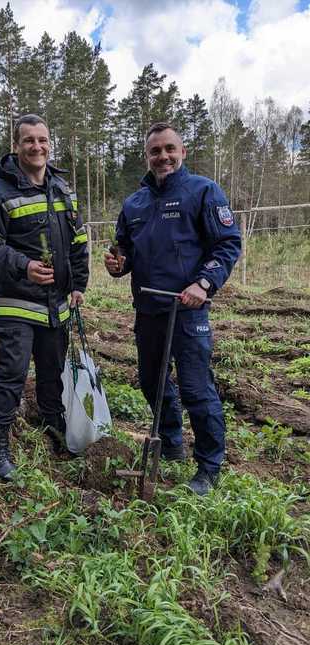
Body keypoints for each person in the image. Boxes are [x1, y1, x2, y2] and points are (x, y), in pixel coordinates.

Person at [105, 122, 241, 495]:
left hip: (187, 309)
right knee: (151, 382)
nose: (162, 156)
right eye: (155, 151)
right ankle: (170, 442)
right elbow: (124, 250)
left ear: (182, 152)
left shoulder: (203, 192)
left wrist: (204, 283)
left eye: (169, 149)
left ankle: (209, 467)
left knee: (196, 388)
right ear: (146, 156)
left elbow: (228, 243)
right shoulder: (134, 203)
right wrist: (118, 264)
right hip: (148, 308)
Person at [0, 114, 89, 480]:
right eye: (28, 141)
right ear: (16, 146)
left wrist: (79, 284)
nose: (37, 147)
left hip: (58, 304)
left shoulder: (62, 189)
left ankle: (52, 426)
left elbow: (79, 242)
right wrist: (24, 266)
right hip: (17, 303)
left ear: (50, 144)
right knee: (12, 374)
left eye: (43, 140)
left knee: (53, 372)